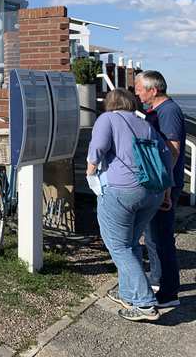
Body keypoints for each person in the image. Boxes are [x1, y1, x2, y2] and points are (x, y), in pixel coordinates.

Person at [87, 88, 171, 322]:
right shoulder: (145, 124)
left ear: (110, 104)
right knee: (131, 243)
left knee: (119, 246)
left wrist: (90, 174)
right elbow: (165, 157)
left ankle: (144, 304)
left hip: (121, 191)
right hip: (152, 191)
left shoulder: (108, 119)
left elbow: (97, 150)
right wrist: (167, 193)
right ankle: (129, 295)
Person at [135, 70, 185, 308]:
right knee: (153, 237)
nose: (136, 93)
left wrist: (166, 186)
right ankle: (158, 281)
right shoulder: (154, 112)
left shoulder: (169, 112)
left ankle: (169, 293)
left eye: (140, 88)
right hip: (158, 183)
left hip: (165, 184)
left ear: (153, 90)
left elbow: (172, 149)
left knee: (162, 238)